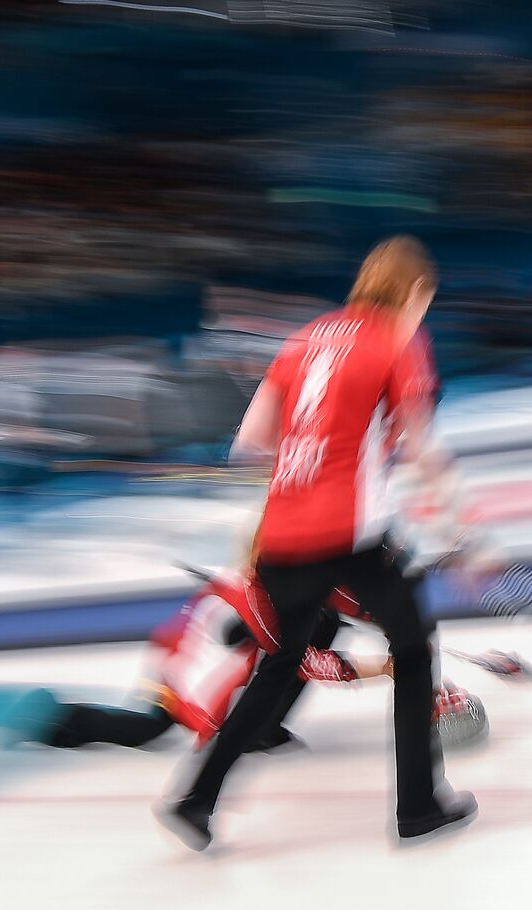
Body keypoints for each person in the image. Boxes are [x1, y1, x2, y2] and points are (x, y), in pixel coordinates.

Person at [155, 235, 475, 851]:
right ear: (413, 292)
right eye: (424, 303)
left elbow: (250, 440)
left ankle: (196, 799)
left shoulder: (306, 338)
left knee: (279, 665)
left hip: (279, 536)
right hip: (347, 534)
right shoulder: (398, 340)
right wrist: (461, 531)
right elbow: (421, 447)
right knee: (412, 650)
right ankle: (419, 807)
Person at [2, 569, 487, 753]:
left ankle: (264, 725)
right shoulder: (264, 607)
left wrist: (401, 635)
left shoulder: (303, 586)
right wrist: (385, 667)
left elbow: (360, 605)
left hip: (233, 640)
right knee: (149, 728)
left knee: (321, 627)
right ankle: (55, 721)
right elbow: (308, 663)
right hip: (188, 667)